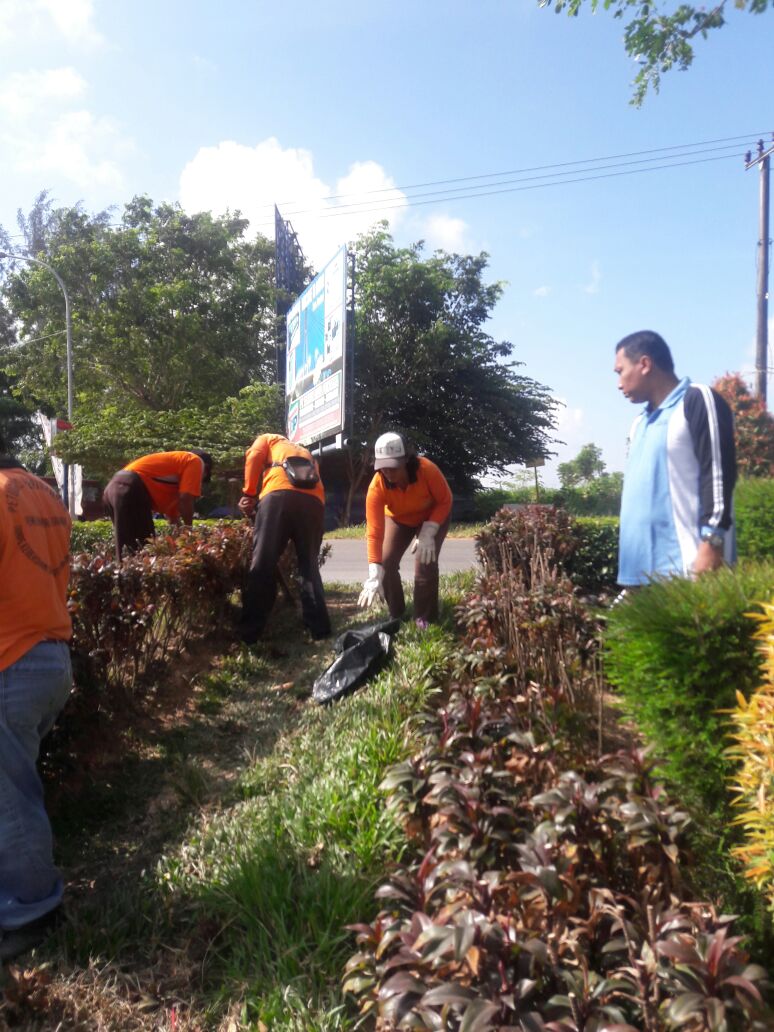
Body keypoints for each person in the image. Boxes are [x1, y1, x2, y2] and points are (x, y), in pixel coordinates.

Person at [0, 438, 72, 962]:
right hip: (50, 658)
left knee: (11, 799)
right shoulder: (43, 492)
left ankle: (31, 913)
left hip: (9, 663)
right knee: (17, 788)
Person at [614, 330, 737, 586]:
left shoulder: (696, 400)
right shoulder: (639, 423)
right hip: (639, 577)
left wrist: (712, 541)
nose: (618, 383)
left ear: (644, 364)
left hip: (689, 570)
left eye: (620, 371)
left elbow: (718, 473)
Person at [237, 433, 331, 643]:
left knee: (263, 563)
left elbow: (254, 457)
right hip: (314, 503)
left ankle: (250, 633)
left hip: (278, 496)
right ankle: (320, 630)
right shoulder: (305, 451)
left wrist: (249, 493)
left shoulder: (267, 439)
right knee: (308, 565)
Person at [359, 432, 453, 626]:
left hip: (431, 517)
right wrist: (374, 571)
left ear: (406, 460)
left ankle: (424, 620)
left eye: (393, 466)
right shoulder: (377, 486)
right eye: (383, 467)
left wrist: (429, 530)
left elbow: (445, 500)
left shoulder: (427, 470)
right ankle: (396, 614)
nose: (388, 472)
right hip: (399, 519)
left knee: (425, 561)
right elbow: (374, 532)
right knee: (386, 562)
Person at [103, 448, 213, 560]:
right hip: (130, 487)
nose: (198, 483)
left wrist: (182, 542)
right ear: (206, 468)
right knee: (144, 549)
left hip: (113, 489)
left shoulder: (173, 475)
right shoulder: (195, 461)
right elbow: (186, 499)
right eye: (202, 479)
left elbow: (173, 519)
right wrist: (189, 533)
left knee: (128, 550)